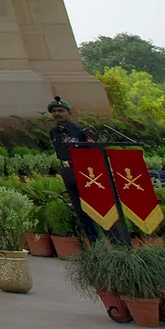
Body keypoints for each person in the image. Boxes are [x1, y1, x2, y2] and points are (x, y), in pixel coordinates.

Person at [48, 96, 95, 240]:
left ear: (69, 113)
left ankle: (98, 239)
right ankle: (91, 241)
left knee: (91, 207)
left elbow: (91, 152)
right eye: (54, 111)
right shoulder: (54, 133)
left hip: (82, 171)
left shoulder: (79, 131)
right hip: (67, 172)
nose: (57, 114)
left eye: (61, 111)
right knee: (79, 209)